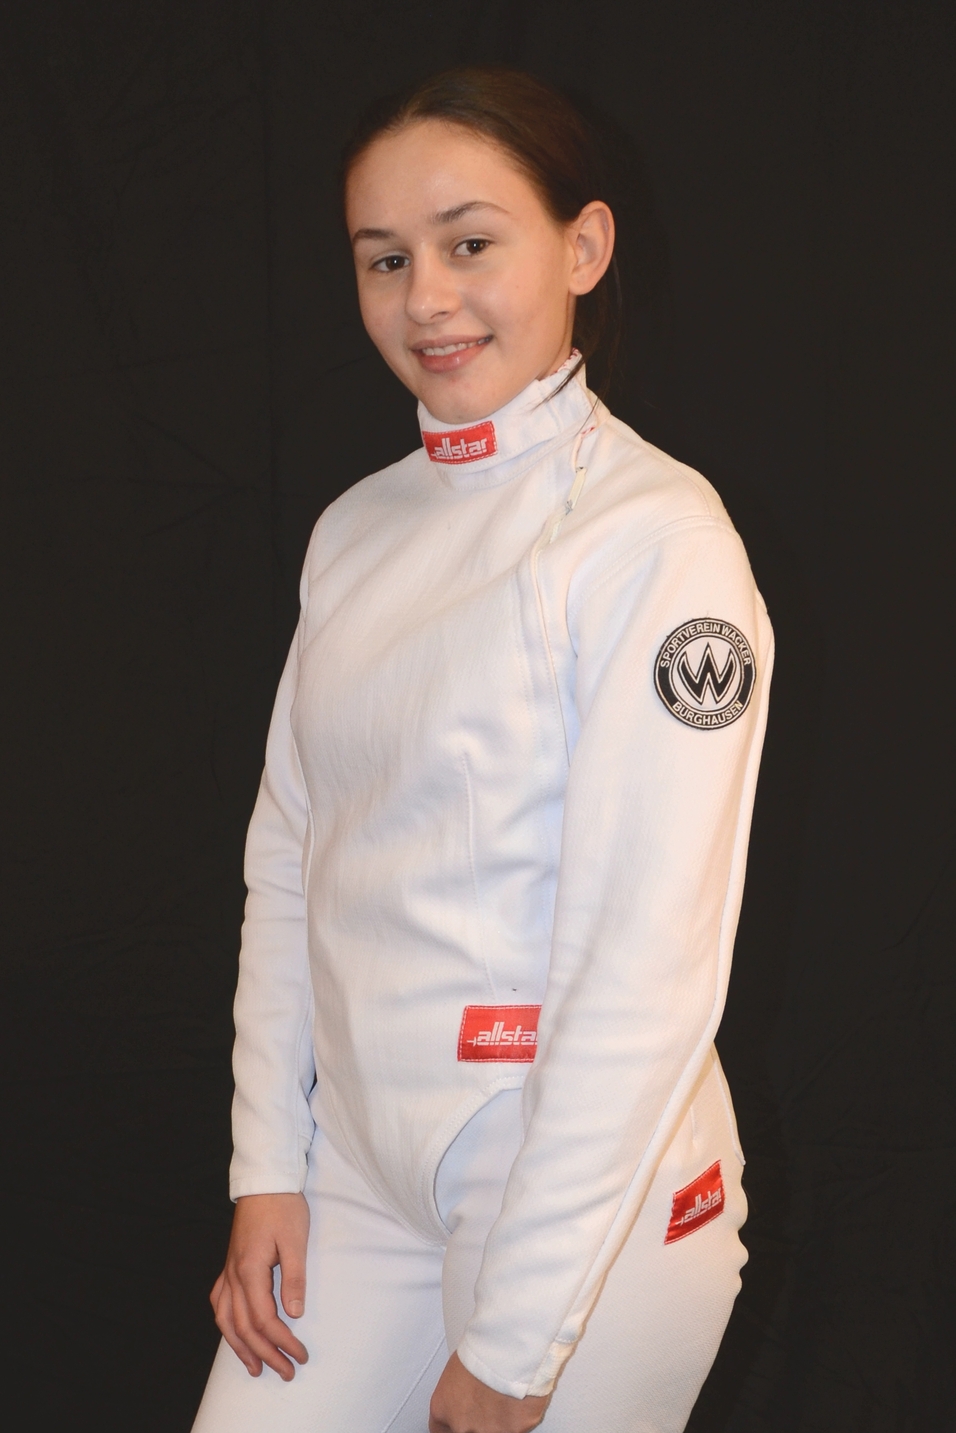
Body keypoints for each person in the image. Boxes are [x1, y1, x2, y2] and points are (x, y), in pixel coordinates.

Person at [191, 66, 773, 1433]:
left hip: (587, 1206)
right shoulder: (356, 530)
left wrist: (517, 1346)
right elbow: (290, 862)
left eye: (469, 244)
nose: (426, 300)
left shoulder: (658, 543)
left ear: (583, 247)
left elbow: (645, 965)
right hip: (362, 1179)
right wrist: (266, 1161)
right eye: (385, 259)